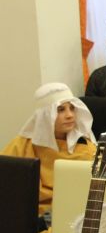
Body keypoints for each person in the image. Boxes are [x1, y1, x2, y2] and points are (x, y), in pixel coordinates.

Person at [2, 83, 96, 221]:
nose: (70, 115)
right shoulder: (22, 145)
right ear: (45, 115)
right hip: (28, 216)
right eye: (60, 110)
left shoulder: (86, 148)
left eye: (72, 108)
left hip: (74, 214)